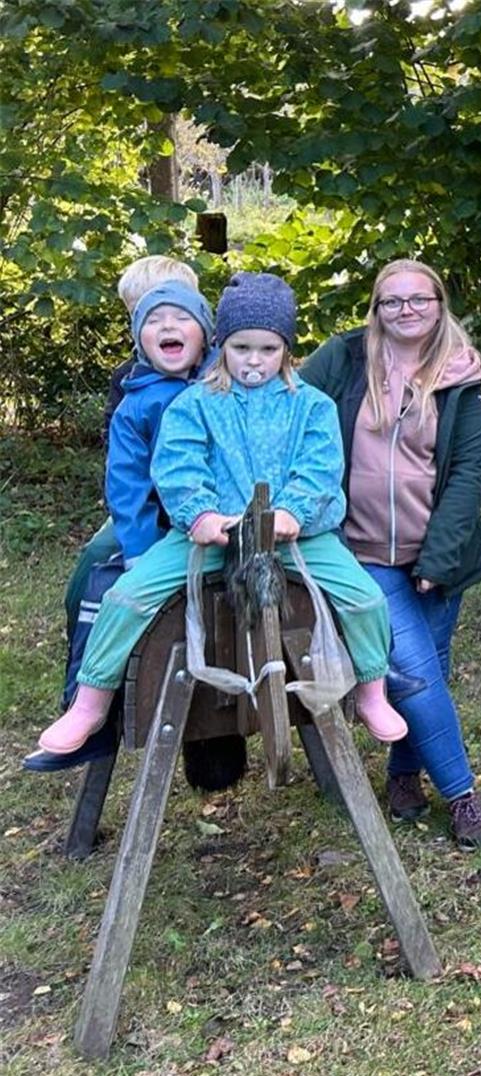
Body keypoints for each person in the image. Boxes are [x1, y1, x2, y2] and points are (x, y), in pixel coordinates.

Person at [39, 272, 407, 755]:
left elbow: (320, 468)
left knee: (365, 599)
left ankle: (370, 690)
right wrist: (200, 515)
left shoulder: (311, 406)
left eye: (268, 350)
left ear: (287, 351)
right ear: (222, 347)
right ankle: (90, 701)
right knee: (125, 597)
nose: (254, 361)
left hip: (299, 538)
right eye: (241, 348)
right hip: (212, 537)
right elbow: (177, 466)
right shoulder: (194, 404)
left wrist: (293, 511)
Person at [301, 258, 481, 847]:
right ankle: (463, 797)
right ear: (376, 308)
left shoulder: (461, 372)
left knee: (430, 669)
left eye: (419, 299)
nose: (406, 310)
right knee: (413, 673)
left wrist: (437, 560)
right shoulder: (345, 357)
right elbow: (287, 406)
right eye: (393, 301)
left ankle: (404, 773)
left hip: (438, 553)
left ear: (439, 305)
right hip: (358, 551)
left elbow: (468, 472)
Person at [25, 279, 218, 772]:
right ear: (137, 338)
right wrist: (140, 550)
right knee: (103, 587)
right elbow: (127, 488)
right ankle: (87, 712)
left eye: (180, 318)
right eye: (152, 320)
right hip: (158, 528)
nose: (167, 327)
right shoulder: (138, 400)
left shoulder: (227, 383)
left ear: (207, 334)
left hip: (223, 527)